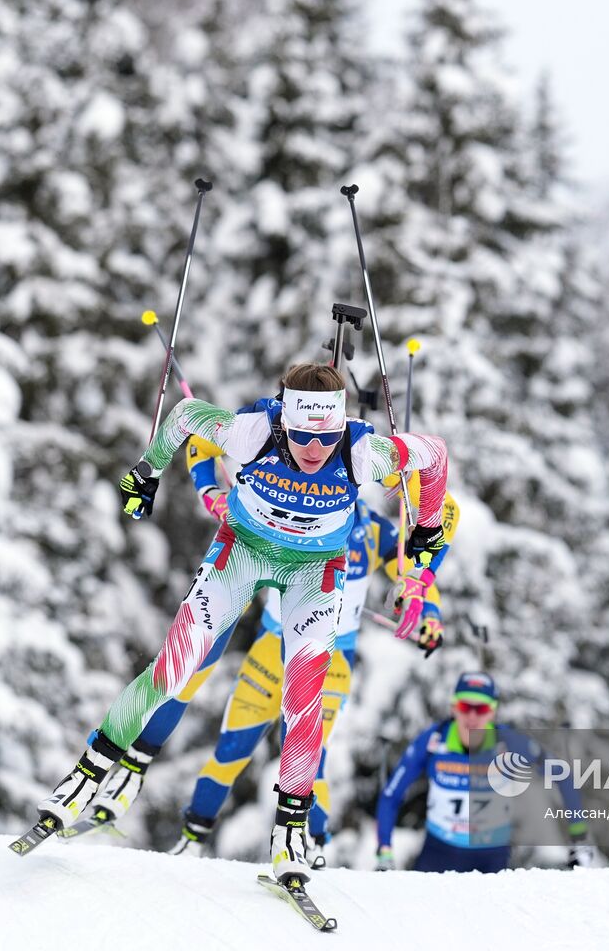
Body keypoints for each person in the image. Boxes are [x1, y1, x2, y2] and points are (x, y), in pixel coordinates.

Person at [35, 362, 449, 883]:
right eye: (301, 435)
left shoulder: (363, 451)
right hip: (241, 554)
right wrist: (147, 472)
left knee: (305, 697)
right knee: (172, 669)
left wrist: (428, 528)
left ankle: (291, 830)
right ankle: (89, 774)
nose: (314, 449)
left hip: (313, 572)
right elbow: (185, 414)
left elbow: (434, 456)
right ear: (285, 421)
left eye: (325, 436)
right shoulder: (253, 431)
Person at [83, 459, 460, 864]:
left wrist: (426, 608)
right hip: (270, 650)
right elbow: (210, 450)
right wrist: (212, 492)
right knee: (232, 748)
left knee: (309, 754)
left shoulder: (375, 533)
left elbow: (441, 520)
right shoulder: (291, 510)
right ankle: (189, 837)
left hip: (328, 658)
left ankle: (310, 846)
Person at [375, 673, 596, 873]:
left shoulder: (508, 743)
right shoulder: (434, 740)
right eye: (464, 707)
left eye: (480, 709)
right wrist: (385, 852)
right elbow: (391, 794)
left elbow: (561, 774)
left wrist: (579, 838)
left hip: (489, 858)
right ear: (453, 707)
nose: (472, 716)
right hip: (438, 853)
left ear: (492, 711)